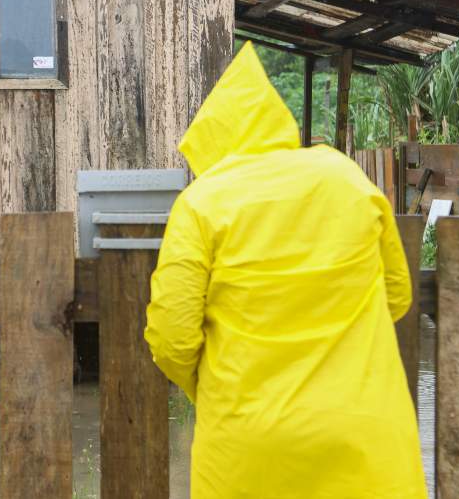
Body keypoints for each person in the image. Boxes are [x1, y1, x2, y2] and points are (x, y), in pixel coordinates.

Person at [144, 42, 427, 498]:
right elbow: (397, 294)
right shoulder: (345, 177)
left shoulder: (201, 203)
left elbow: (171, 338)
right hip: (362, 431)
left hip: (248, 444)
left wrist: (218, 389)